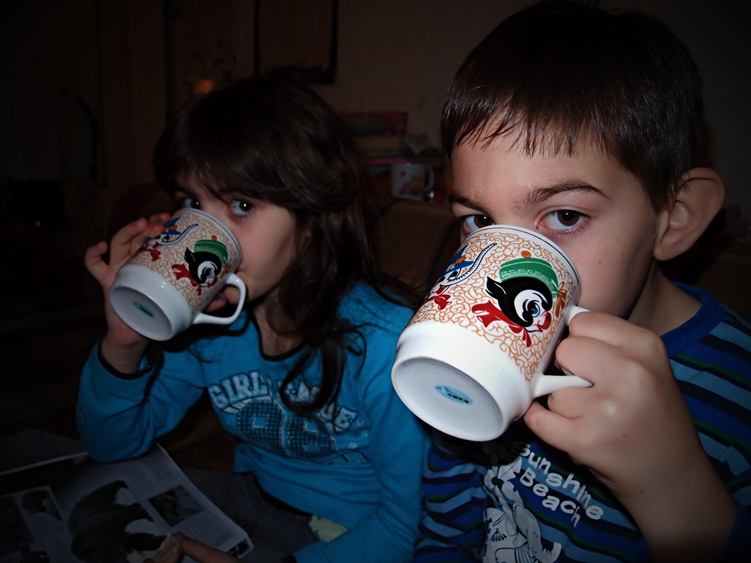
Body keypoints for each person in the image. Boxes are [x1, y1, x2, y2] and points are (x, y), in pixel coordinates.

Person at [413, 1, 750, 562]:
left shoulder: (737, 396)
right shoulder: (477, 343)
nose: (506, 274)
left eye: (565, 215)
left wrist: (676, 492)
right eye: (481, 220)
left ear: (675, 217)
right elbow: (446, 531)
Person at [78, 75, 427, 563]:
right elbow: (113, 445)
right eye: (191, 204)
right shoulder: (210, 322)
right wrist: (124, 343)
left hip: (346, 533)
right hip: (249, 497)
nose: (206, 234)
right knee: (97, 513)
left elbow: (409, 525)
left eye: (241, 205)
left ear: (311, 219)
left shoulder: (384, 343)